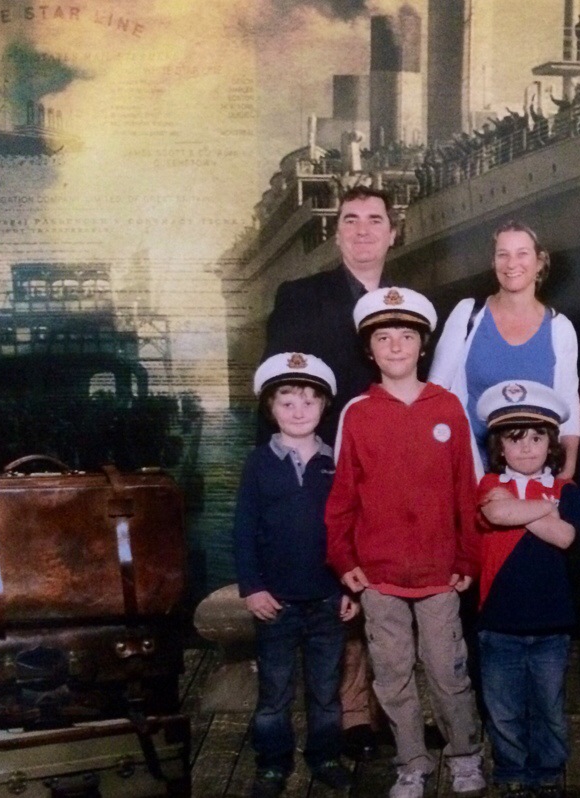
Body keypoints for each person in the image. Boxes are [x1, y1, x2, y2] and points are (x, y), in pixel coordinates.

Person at [325, 287, 486, 798]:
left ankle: (464, 754)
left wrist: (468, 557)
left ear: (423, 345)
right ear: (369, 350)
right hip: (379, 575)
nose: (396, 345)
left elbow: (466, 491)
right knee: (392, 676)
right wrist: (344, 559)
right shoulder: (357, 413)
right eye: (383, 337)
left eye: (407, 336)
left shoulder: (449, 408)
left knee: (447, 670)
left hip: (439, 572)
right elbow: (342, 497)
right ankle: (411, 762)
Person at [261, 184, 396, 760]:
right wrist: (272, 475)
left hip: (390, 469)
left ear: (393, 233)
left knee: (387, 582)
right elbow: (273, 391)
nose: (363, 230)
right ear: (336, 233)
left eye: (375, 220)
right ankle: (354, 713)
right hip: (325, 466)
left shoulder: (409, 300)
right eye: (351, 220)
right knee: (344, 584)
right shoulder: (299, 297)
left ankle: (396, 706)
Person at [234, 352, 358, 798]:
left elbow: (351, 528)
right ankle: (272, 763)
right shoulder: (258, 463)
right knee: (275, 691)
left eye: (309, 401)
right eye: (287, 402)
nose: (299, 411)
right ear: (271, 409)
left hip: (327, 599)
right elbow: (244, 530)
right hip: (276, 603)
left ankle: (325, 756)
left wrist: (349, 585)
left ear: (325, 407)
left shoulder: (337, 462)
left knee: (326, 690)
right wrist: (253, 588)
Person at [474, 380, 580, 798]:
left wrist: (519, 509)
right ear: (499, 447)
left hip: (551, 623)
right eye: (514, 439)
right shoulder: (489, 484)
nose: (526, 448)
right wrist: (543, 508)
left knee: (549, 707)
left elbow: (565, 537)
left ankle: (549, 770)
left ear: (551, 443)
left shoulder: (565, 490)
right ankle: (511, 771)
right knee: (503, 709)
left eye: (536, 438)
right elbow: (496, 514)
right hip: (498, 622)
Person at [429, 221, 580, 478]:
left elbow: (569, 408)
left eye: (522, 254)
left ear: (539, 262)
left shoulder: (560, 327)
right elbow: (435, 392)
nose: (512, 264)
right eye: (503, 254)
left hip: (536, 476)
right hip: (469, 469)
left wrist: (565, 475)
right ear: (493, 261)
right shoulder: (468, 315)